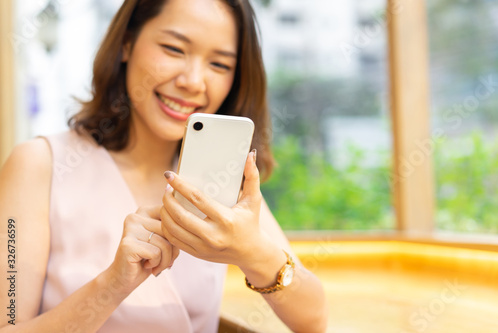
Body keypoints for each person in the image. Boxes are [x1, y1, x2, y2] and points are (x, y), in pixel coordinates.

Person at [0, 0, 328, 332]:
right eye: (173, 49)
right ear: (126, 43)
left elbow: (313, 319)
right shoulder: (39, 165)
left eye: (219, 64)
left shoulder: (222, 180)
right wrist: (112, 285)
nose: (193, 81)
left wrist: (254, 253)